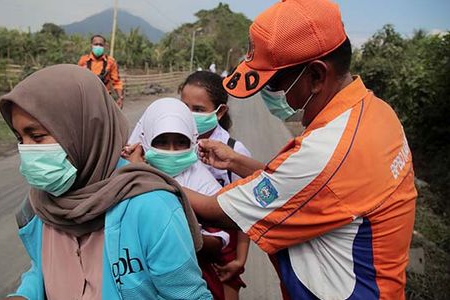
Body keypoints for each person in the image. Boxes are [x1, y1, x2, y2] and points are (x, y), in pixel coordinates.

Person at [184, 0, 417, 299]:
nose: (269, 96)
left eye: (273, 84)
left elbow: (220, 212)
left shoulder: (327, 151)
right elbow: (313, 191)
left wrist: (148, 171)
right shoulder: (375, 113)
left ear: (316, 76)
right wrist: (235, 161)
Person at [0, 65, 212, 300]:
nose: (26, 150)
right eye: (20, 138)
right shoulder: (41, 204)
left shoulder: (152, 206)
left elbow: (188, 295)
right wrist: (25, 295)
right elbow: (44, 268)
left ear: (83, 129)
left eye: (37, 136)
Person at [126, 98, 229, 300]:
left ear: (193, 139)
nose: (171, 151)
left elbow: (220, 239)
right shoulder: (128, 175)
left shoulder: (202, 180)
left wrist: (177, 237)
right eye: (162, 142)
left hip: (195, 279)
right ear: (146, 139)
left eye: (181, 142)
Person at [179, 71, 251, 300]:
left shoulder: (234, 152)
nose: (189, 115)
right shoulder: (173, 143)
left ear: (219, 112)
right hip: (185, 241)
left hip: (223, 249)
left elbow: (245, 212)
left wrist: (239, 260)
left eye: (198, 109)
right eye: (184, 107)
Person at [78, 34, 124, 109]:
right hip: (86, 98)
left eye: (100, 45)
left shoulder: (110, 61)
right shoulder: (83, 61)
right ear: (91, 45)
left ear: (104, 46)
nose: (98, 47)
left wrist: (120, 98)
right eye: (96, 44)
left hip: (104, 99)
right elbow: (77, 80)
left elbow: (117, 81)